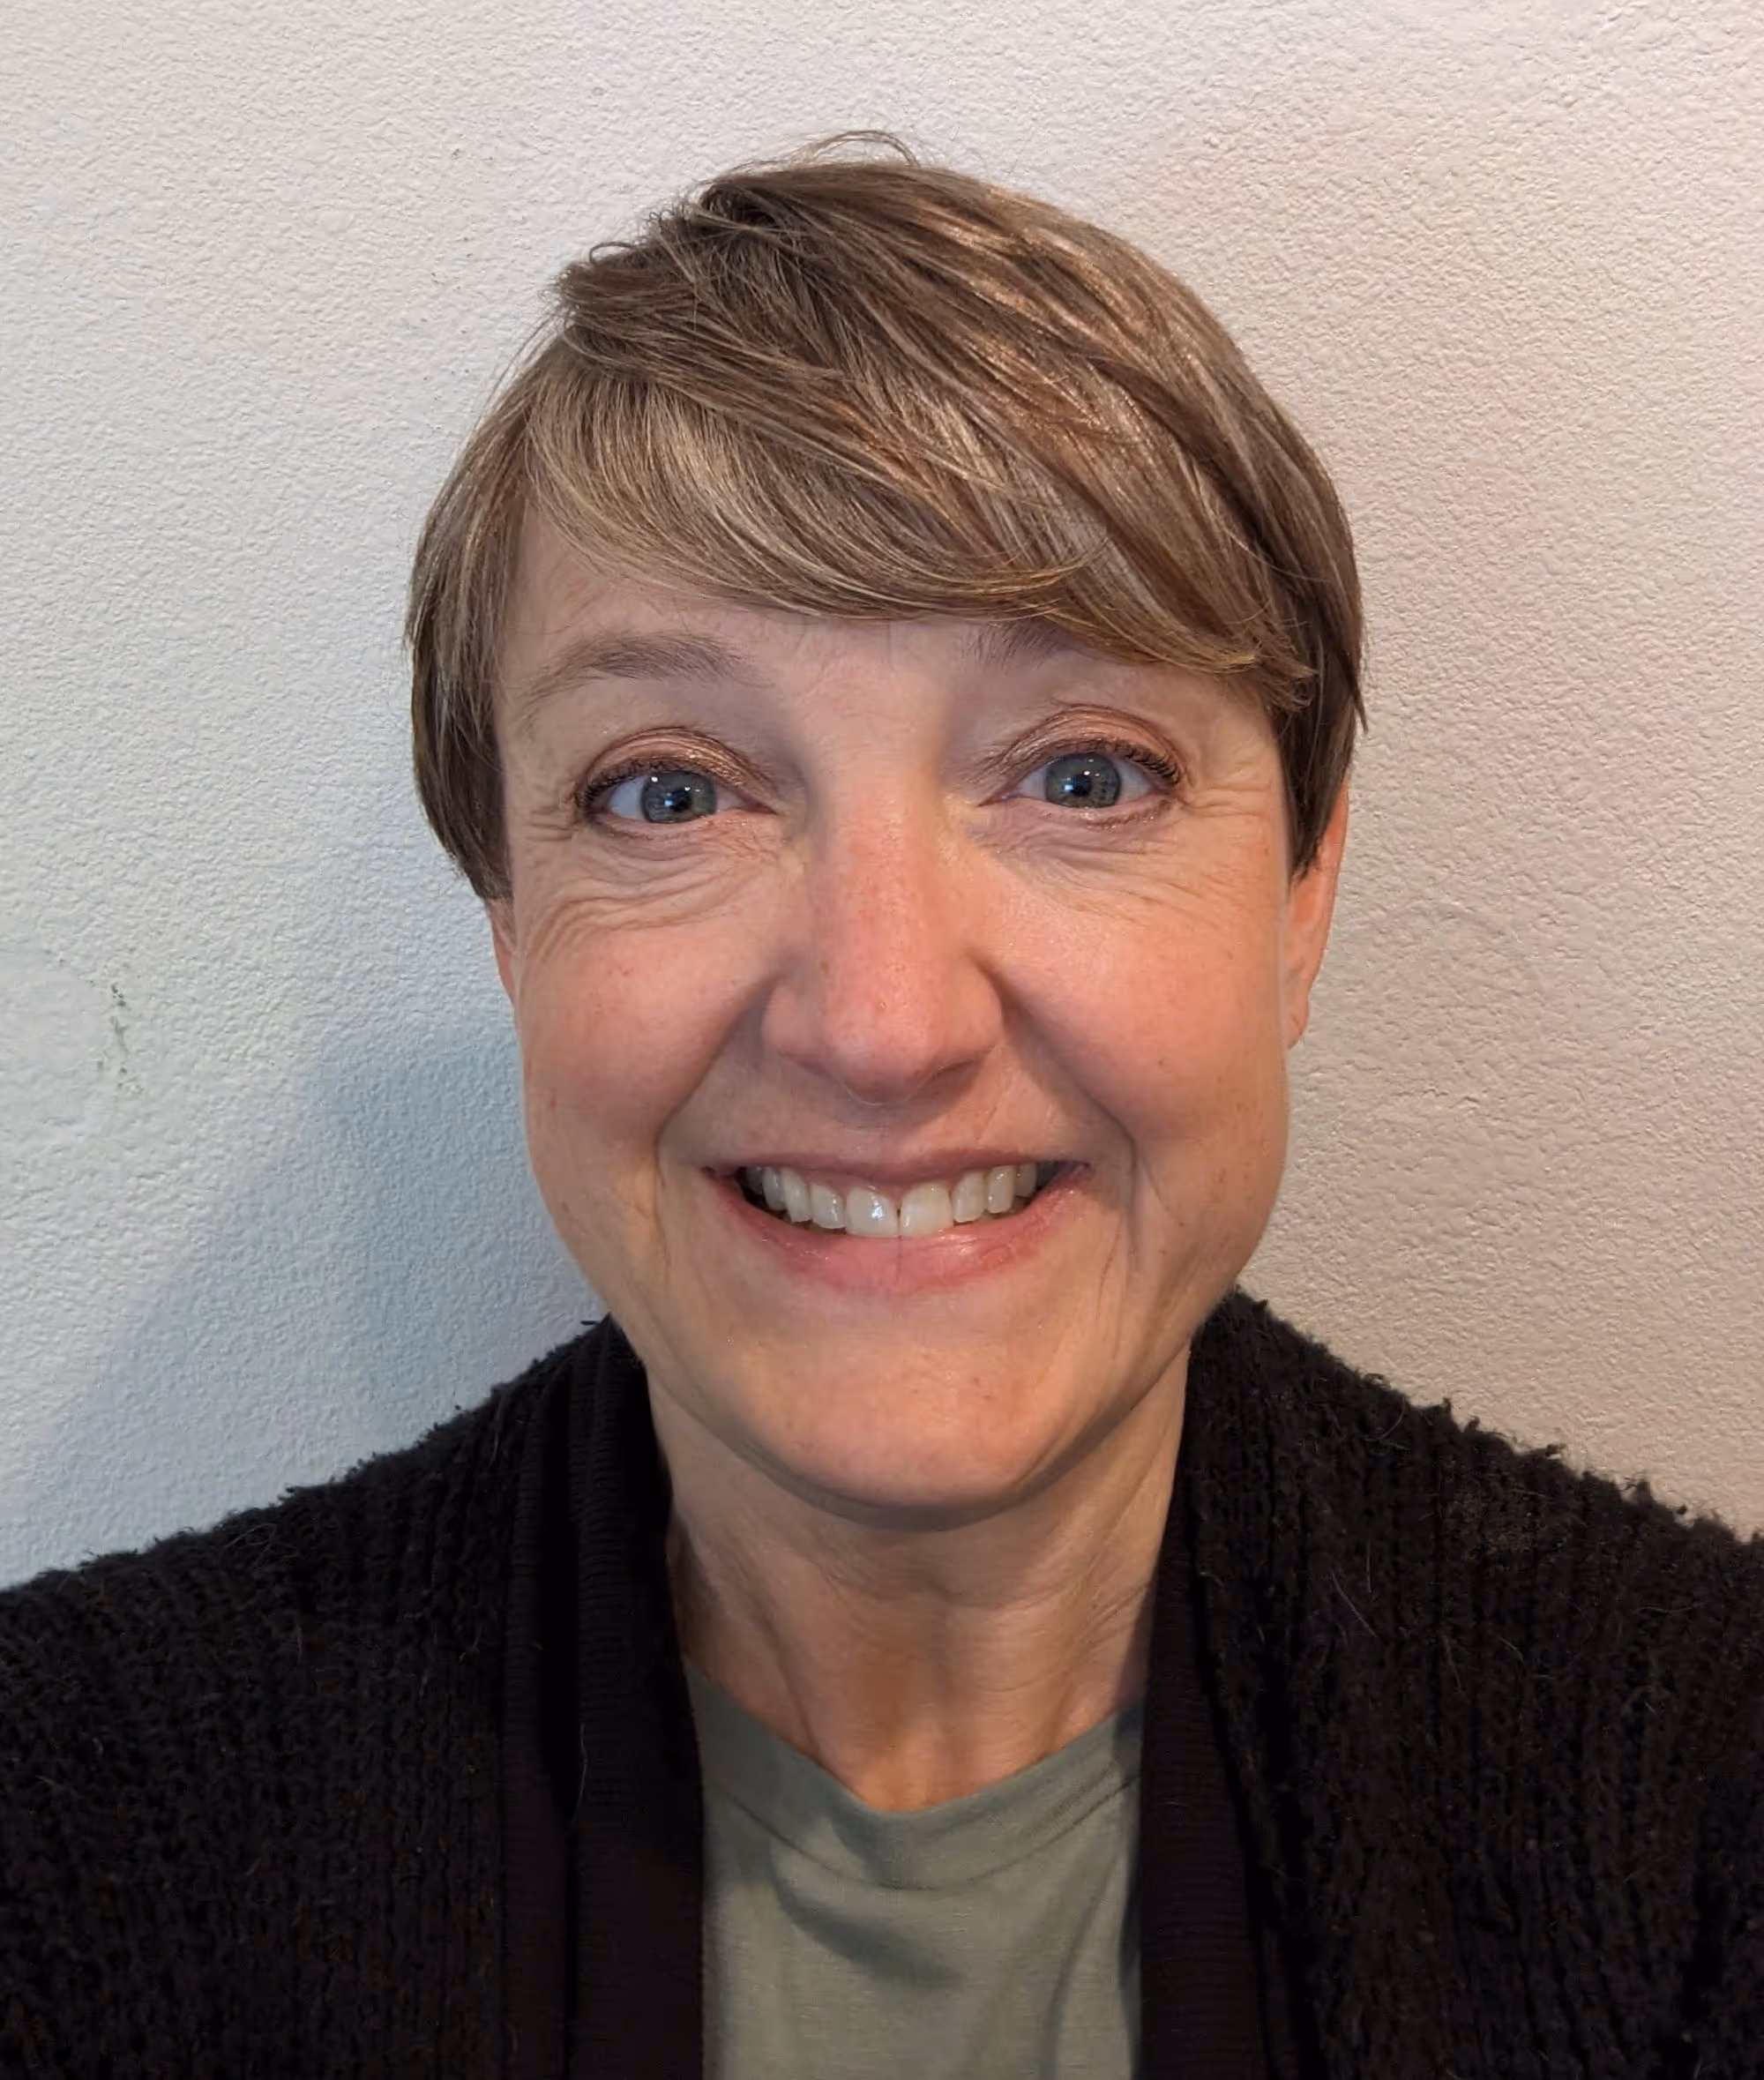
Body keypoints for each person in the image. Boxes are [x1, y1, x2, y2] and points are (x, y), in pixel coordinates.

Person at [2, 136, 1759, 2080]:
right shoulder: (61, 1838)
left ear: (1301, 897)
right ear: (511, 925)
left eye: (1081, 777)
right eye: (667, 792)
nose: (882, 1019)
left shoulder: (1708, 1808)